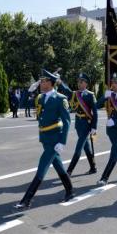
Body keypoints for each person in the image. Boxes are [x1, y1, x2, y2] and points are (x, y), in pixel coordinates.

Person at [14, 69, 73, 209]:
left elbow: (67, 121)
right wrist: (29, 91)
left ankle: (26, 199)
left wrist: (62, 141)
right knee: (58, 165)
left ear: (50, 83)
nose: (40, 83)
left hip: (54, 139)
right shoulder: (40, 97)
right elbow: (23, 105)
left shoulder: (60, 99)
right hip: (44, 138)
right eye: (40, 80)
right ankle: (70, 191)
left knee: (42, 167)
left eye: (43, 80)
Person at [57, 73, 98, 176]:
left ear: (86, 84)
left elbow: (95, 112)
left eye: (81, 82)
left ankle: (69, 171)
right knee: (86, 147)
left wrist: (94, 127)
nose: (79, 84)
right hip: (78, 124)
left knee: (79, 147)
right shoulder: (75, 94)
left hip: (86, 124)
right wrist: (60, 82)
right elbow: (67, 90)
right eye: (78, 82)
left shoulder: (90, 95)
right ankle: (93, 167)